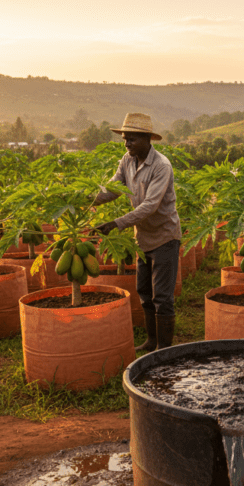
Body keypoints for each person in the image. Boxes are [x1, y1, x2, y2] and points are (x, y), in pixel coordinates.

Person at [93, 113, 181, 352]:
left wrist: (116, 223)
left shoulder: (161, 166)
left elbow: (150, 205)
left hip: (164, 237)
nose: (126, 143)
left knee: (162, 296)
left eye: (131, 139)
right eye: (124, 138)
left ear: (146, 139)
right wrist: (88, 199)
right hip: (142, 238)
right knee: (144, 291)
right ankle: (151, 341)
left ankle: (164, 348)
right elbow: (113, 188)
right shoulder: (127, 161)